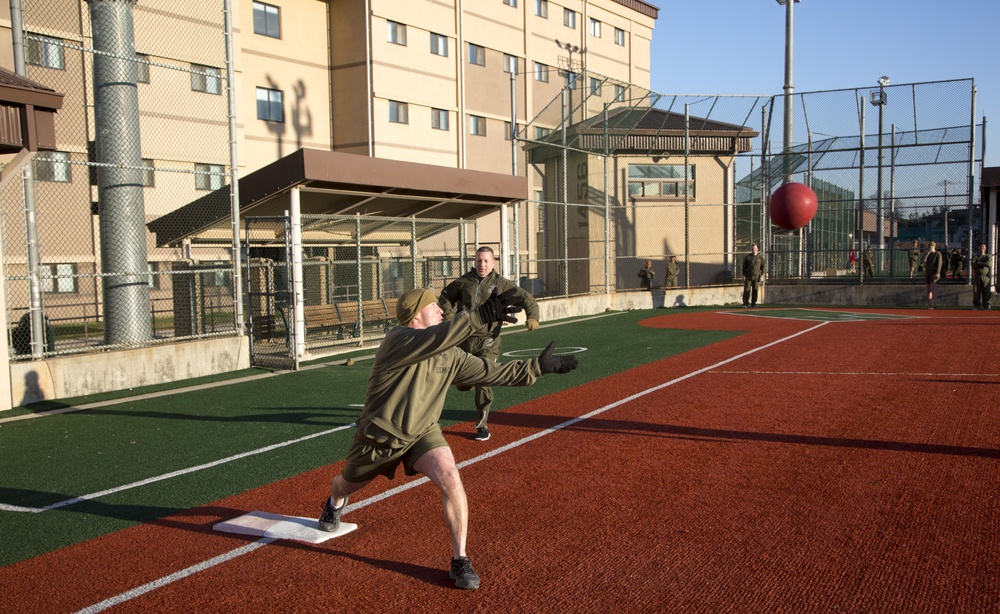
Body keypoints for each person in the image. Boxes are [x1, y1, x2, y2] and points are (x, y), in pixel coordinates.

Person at [318, 287, 578, 590]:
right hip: (379, 438)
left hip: (423, 431)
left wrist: (537, 367)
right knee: (347, 483)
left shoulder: (449, 354)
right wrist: (480, 315)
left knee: (451, 476)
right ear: (416, 315)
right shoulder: (397, 341)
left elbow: (489, 372)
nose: (441, 310)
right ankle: (335, 502)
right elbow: (440, 336)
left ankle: (460, 559)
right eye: (434, 307)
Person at [438, 246, 540, 442]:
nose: (482, 265)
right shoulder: (464, 282)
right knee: (460, 382)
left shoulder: (501, 284)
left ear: (493, 263)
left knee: (483, 380)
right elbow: (445, 296)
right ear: (474, 262)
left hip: (489, 341)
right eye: (479, 261)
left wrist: (532, 316)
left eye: (486, 261)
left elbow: (526, 297)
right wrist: (449, 316)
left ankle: (482, 425)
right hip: (463, 339)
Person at [741, 243, 765, 308]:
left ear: (757, 249)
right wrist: (744, 275)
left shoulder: (760, 258)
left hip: (756, 276)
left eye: (755, 248)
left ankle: (753, 303)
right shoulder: (748, 257)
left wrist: (762, 274)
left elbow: (763, 267)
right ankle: (745, 303)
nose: (754, 249)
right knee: (746, 290)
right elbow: (744, 267)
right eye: (753, 248)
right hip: (748, 276)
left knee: (755, 289)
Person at [971, 242, 992, 310]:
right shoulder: (975, 257)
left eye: (983, 246)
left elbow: (988, 264)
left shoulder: (988, 256)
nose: (982, 248)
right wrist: (983, 264)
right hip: (977, 276)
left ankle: (987, 305)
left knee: (986, 291)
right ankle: (976, 305)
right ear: (978, 248)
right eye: (980, 247)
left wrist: (978, 263)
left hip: (986, 276)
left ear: (985, 248)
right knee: (976, 292)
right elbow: (973, 265)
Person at [923, 241, 944, 309]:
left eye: (931, 246)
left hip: (934, 272)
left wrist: (938, 272)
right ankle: (929, 303)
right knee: (928, 288)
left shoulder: (938, 254)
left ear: (934, 247)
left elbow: (939, 264)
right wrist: (927, 254)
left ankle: (934, 303)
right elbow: (923, 260)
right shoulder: (928, 254)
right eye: (929, 246)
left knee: (933, 288)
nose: (930, 247)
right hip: (927, 272)